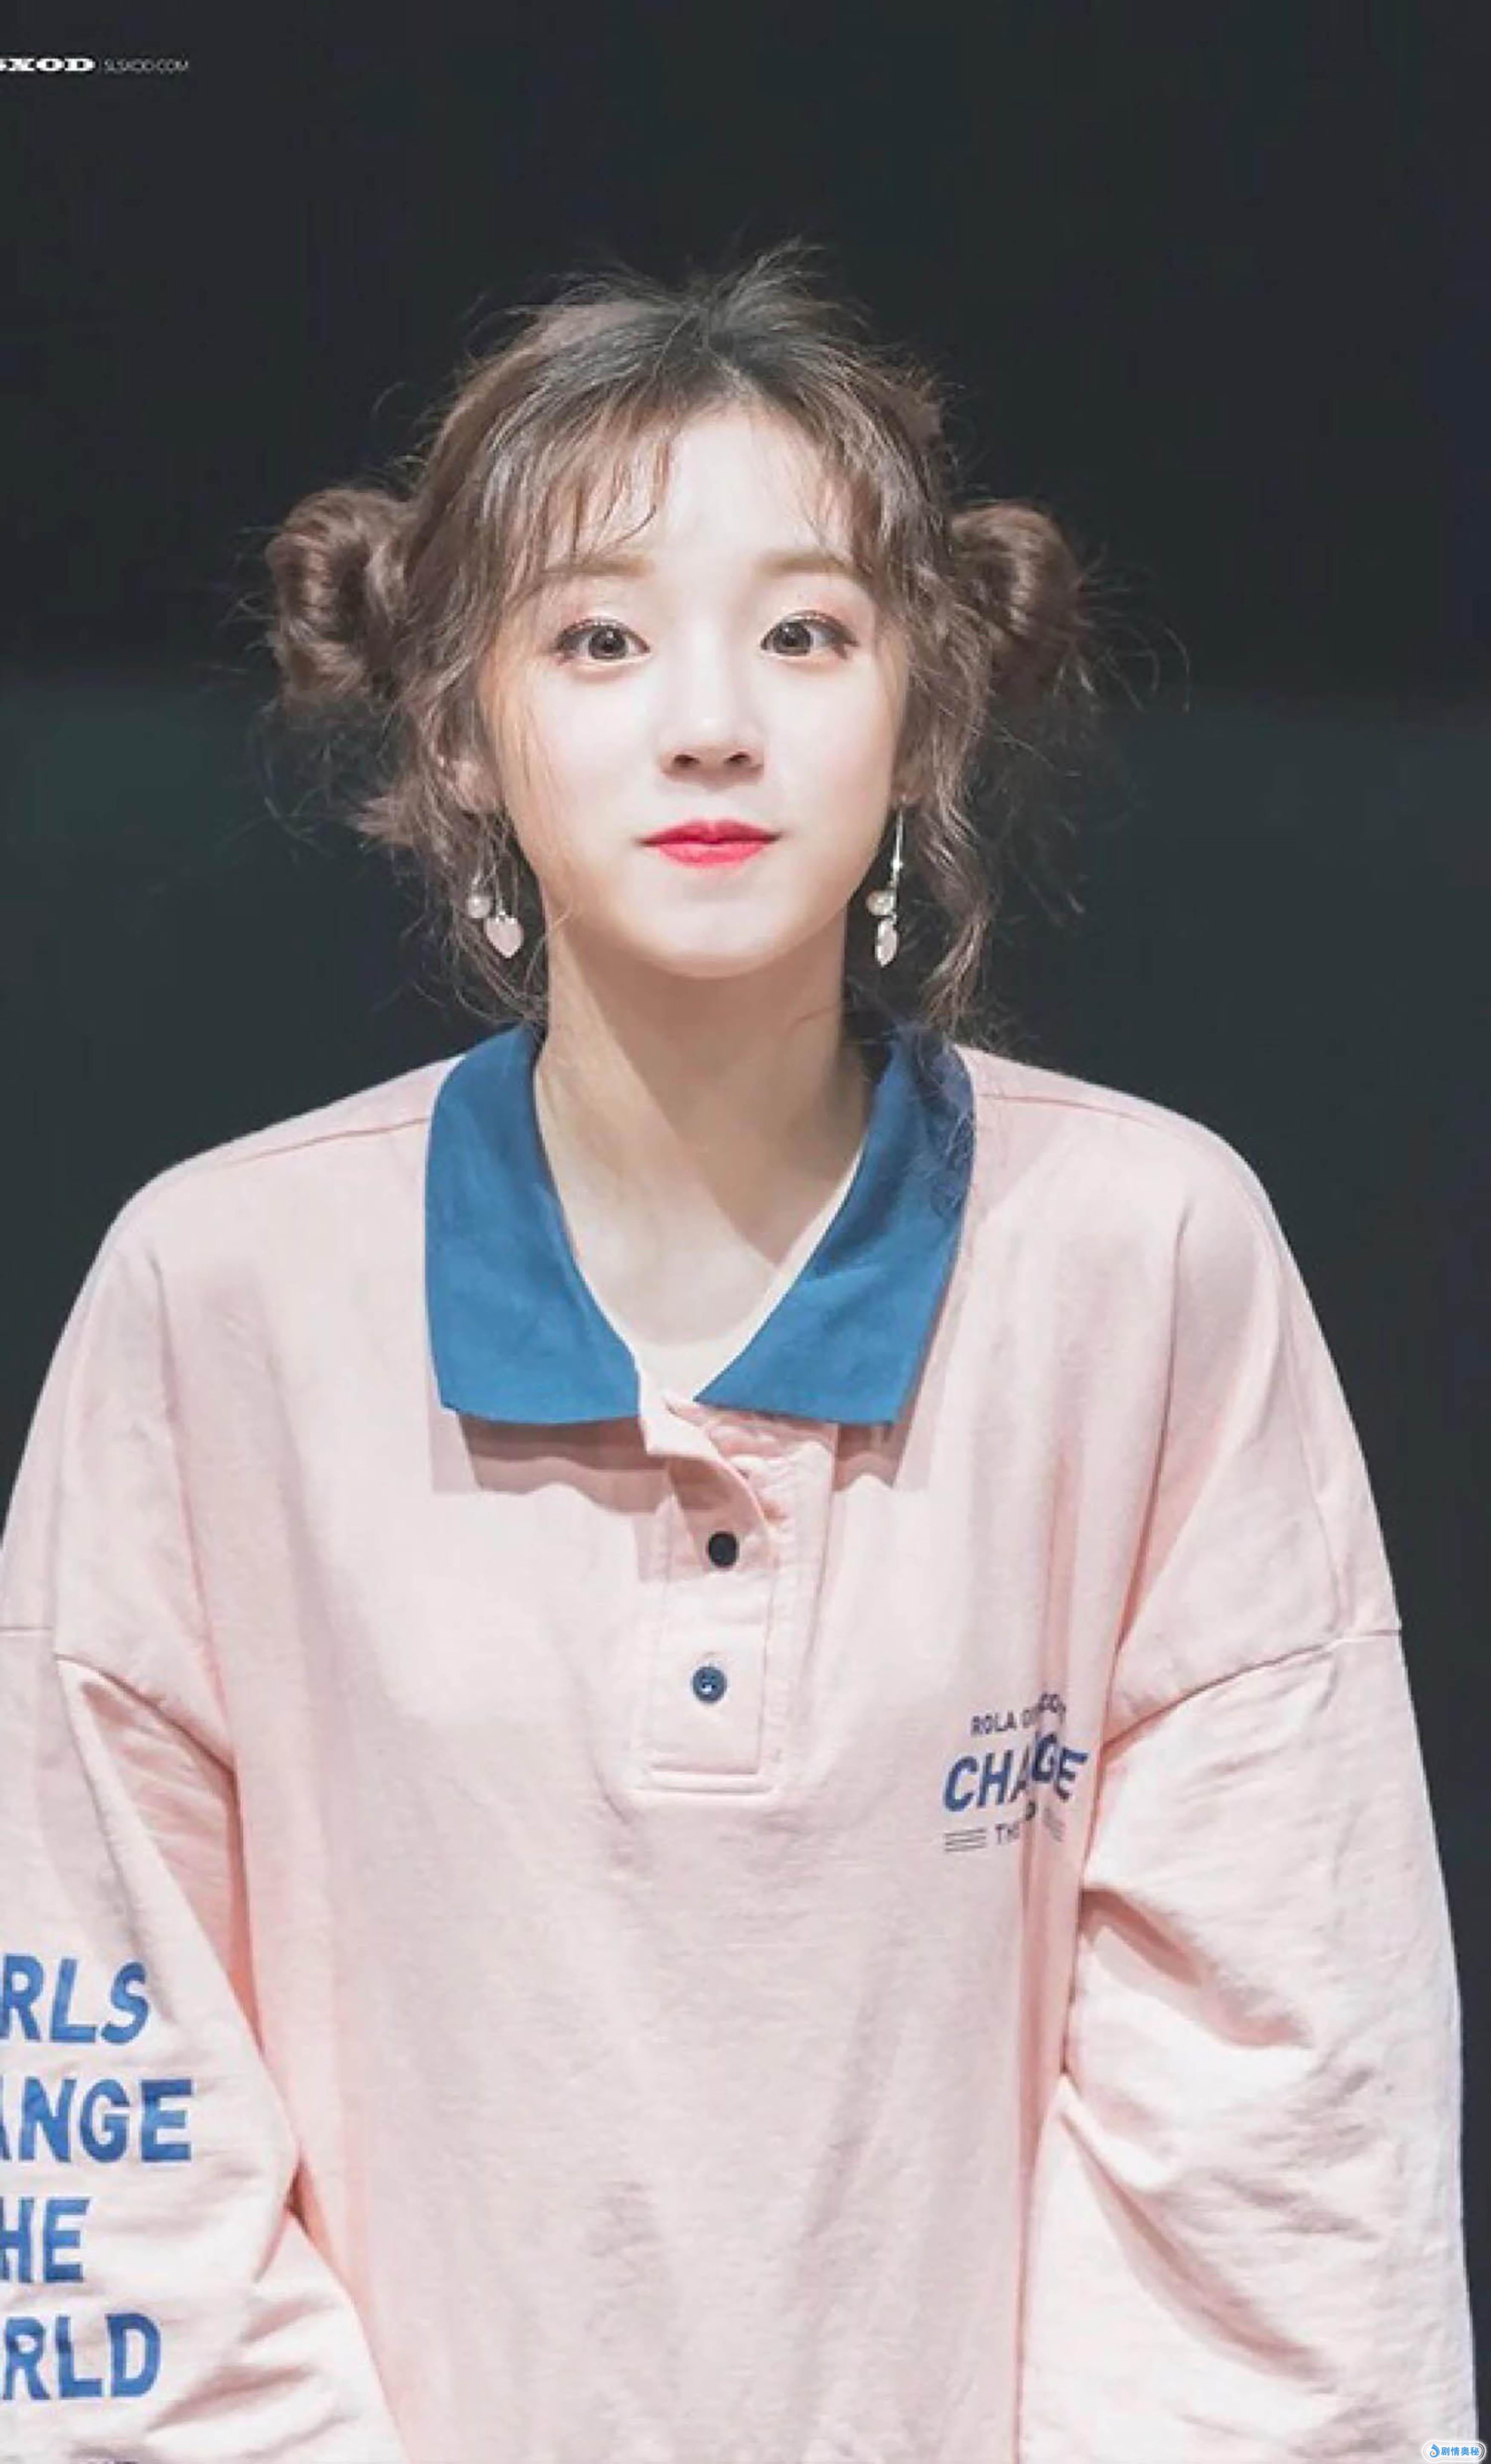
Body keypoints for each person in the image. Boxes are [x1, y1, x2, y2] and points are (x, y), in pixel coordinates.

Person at [0, 242, 1474, 2462]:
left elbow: (1284, 2109)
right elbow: (111, 2140)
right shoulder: (217, 1296)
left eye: (804, 632)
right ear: (460, 726)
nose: (712, 720)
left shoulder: (1142, 1257)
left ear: (921, 712)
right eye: (599, 637)